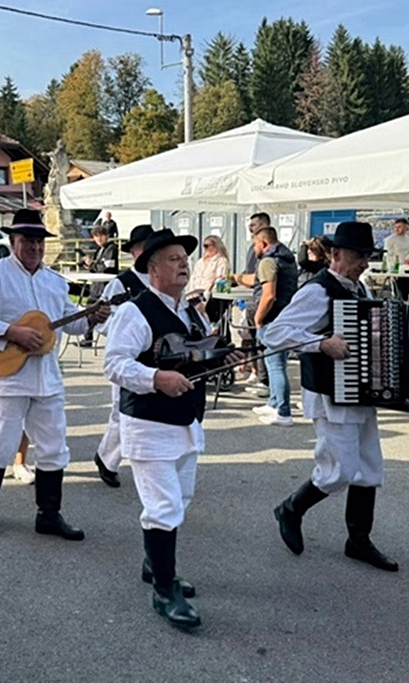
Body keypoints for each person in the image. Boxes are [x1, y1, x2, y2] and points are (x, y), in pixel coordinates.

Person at [104, 228, 243, 630]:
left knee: (180, 498)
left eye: (184, 258)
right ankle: (165, 590)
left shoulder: (190, 311)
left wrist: (220, 358)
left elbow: (195, 357)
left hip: (186, 421)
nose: (183, 264)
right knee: (164, 507)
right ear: (151, 269)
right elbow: (114, 363)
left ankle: (155, 565)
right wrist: (155, 378)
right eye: (173, 259)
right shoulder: (135, 311)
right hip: (148, 424)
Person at [0, 208, 109, 539]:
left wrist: (94, 318)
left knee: (54, 445)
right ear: (13, 241)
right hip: (9, 376)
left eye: (39, 242)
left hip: (47, 377)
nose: (35, 248)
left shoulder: (54, 281)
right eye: (28, 240)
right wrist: (10, 331)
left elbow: (73, 321)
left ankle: (49, 514)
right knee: (1, 442)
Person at [263, 221, 399, 573]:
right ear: (336, 255)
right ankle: (291, 508)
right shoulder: (318, 291)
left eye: (368, 256)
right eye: (359, 256)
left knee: (369, 468)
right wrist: (320, 343)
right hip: (329, 391)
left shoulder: (359, 288)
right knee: (339, 471)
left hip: (359, 390)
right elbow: (274, 333)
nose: (365, 263)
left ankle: (358, 540)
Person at [92, 224, 155, 488]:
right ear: (135, 252)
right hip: (129, 355)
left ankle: (146, 461)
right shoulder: (121, 283)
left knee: (151, 412)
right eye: (145, 248)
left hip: (160, 355)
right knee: (122, 411)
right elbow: (101, 320)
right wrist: (126, 330)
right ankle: (107, 459)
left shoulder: (160, 278)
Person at [251, 226, 299, 427]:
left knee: (276, 365)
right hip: (286, 315)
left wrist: (258, 318)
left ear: (263, 243)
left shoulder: (268, 262)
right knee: (276, 364)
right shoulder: (287, 259)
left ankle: (283, 411)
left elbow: (269, 294)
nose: (254, 249)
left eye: (254, 244)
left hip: (272, 319)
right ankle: (273, 403)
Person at [233, 212, 272, 386]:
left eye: (254, 225)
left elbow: (257, 279)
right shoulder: (252, 248)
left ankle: (264, 380)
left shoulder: (270, 256)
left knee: (262, 341)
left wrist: (239, 278)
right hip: (251, 300)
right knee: (249, 336)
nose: (250, 228)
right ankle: (255, 371)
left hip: (262, 302)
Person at [78, 224, 119, 347]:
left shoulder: (111, 249)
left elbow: (108, 268)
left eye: (101, 236)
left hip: (106, 287)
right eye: (96, 236)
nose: (99, 239)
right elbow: (96, 269)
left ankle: (92, 337)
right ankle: (88, 337)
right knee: (89, 309)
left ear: (107, 236)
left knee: (103, 313)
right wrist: (88, 265)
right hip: (96, 286)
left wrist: (93, 265)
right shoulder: (98, 251)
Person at [189, 235, 231, 326]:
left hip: (210, 297)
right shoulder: (200, 262)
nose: (206, 248)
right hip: (196, 295)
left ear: (216, 246)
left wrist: (208, 292)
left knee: (211, 322)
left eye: (208, 245)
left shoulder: (222, 261)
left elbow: (221, 279)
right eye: (204, 246)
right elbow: (194, 277)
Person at [383, 219, 409, 300]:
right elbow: (387, 256)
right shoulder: (390, 240)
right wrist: (392, 272)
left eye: (399, 227)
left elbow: (408, 252)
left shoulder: (408, 239)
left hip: (407, 268)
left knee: (406, 291)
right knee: (398, 293)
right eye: (395, 227)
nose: (397, 229)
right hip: (396, 268)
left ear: (405, 228)